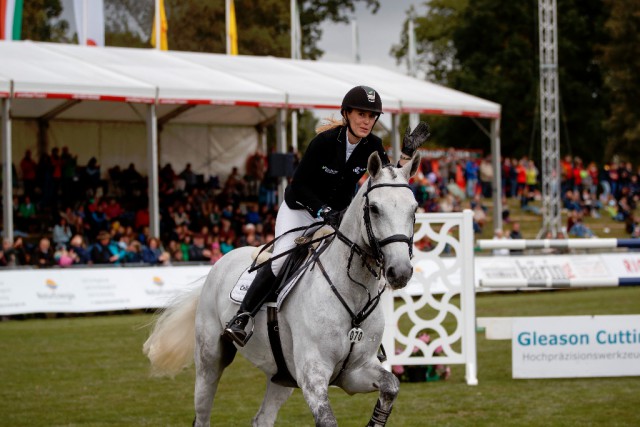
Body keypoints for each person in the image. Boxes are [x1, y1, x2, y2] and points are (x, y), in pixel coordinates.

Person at [223, 85, 431, 346]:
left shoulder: (374, 145)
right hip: (300, 209)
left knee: (357, 261)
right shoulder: (323, 142)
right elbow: (298, 186)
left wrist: (406, 156)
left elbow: (388, 182)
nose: (366, 121)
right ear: (347, 114)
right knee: (280, 259)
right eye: (361, 115)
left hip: (338, 217)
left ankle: (365, 338)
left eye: (371, 117)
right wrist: (322, 211)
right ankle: (243, 317)